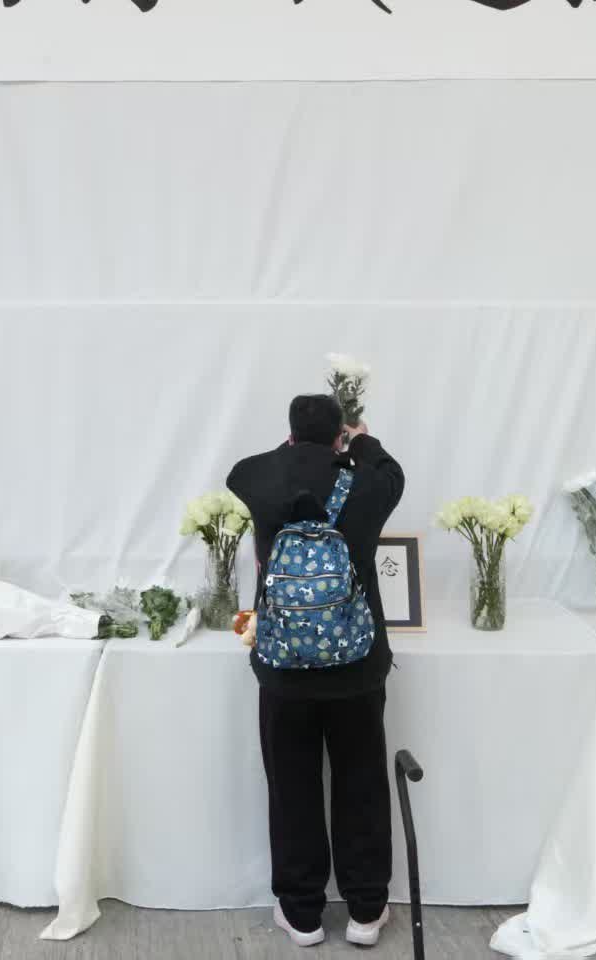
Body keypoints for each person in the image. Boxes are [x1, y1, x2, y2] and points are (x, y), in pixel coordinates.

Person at [227, 392, 406, 948]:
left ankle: (302, 914)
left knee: (292, 786)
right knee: (361, 782)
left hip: (283, 665)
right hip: (357, 665)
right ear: (339, 435)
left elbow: (241, 470)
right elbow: (389, 470)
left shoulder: (258, 477)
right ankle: (366, 911)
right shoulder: (371, 482)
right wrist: (361, 441)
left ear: (289, 434)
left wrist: (299, 447)